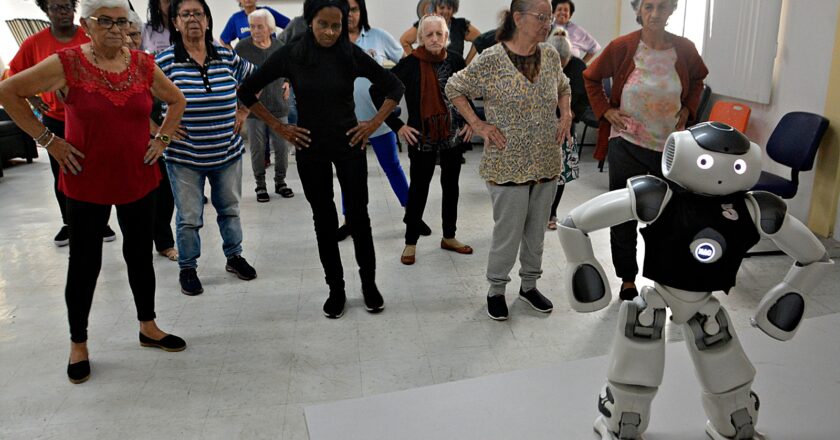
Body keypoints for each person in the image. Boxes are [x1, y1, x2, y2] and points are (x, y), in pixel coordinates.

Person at [0, 0, 188, 384]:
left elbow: (176, 100)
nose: (116, 29)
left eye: (122, 21)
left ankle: (148, 327)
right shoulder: (66, 63)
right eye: (105, 21)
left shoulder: (141, 64)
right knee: (85, 263)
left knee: (139, 255)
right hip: (86, 178)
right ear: (87, 24)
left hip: (139, 176)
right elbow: (8, 92)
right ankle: (78, 343)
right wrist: (48, 140)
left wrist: (162, 138)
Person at [238, 0, 405, 319]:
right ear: (310, 21)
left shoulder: (350, 54)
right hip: (310, 145)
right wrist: (279, 127)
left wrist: (371, 125)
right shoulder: (292, 54)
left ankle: (369, 285)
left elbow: (394, 86)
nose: (330, 31)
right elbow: (246, 91)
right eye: (323, 24)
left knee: (358, 217)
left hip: (349, 143)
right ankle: (336, 289)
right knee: (324, 220)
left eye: (336, 25)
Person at [446, 0, 572, 321]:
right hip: (507, 162)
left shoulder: (551, 55)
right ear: (518, 18)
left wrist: (566, 113)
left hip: (545, 158)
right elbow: (454, 86)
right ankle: (496, 289)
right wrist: (477, 124)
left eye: (548, 17)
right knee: (509, 231)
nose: (548, 23)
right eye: (541, 17)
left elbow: (564, 85)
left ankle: (529, 286)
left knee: (536, 230)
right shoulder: (492, 59)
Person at [583, 0, 708, 301]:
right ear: (639, 10)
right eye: (649, 6)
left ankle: (663, 274)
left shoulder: (685, 49)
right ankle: (627, 278)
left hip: (671, 149)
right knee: (625, 212)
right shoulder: (622, 46)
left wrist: (688, 110)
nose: (655, 14)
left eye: (662, 7)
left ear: (672, 11)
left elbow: (699, 80)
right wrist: (606, 112)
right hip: (627, 143)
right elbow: (590, 78)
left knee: (668, 216)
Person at [157, 0, 258, 296]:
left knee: (230, 209)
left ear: (208, 21)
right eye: (185, 14)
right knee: (189, 217)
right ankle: (188, 267)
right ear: (175, 22)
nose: (192, 20)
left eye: (198, 14)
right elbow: (140, 102)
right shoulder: (163, 61)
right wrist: (160, 130)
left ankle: (234, 257)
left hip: (226, 152)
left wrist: (243, 111)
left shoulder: (227, 56)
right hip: (184, 157)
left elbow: (256, 79)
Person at [6, 0, 118, 246]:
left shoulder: (89, 38)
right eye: (56, 7)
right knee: (63, 172)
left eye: (67, 6)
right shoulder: (34, 43)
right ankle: (69, 222)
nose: (63, 12)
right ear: (46, 10)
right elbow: (12, 76)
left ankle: (102, 222)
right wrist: (34, 99)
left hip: (92, 120)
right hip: (57, 120)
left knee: (97, 171)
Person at [372, 15, 472, 265]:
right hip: (422, 137)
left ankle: (449, 236)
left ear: (446, 37)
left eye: (439, 34)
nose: (435, 39)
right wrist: (397, 125)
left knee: (451, 188)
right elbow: (377, 90)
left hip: (452, 136)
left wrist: (471, 121)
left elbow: (465, 93)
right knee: (418, 190)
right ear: (421, 39)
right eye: (429, 35)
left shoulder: (457, 61)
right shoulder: (409, 65)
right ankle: (410, 242)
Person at [336, 0, 411, 241]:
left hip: (379, 120)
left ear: (362, 12)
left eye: (355, 9)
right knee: (348, 173)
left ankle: (413, 215)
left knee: (392, 167)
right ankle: (349, 220)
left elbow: (404, 64)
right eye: (345, 10)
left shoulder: (378, 37)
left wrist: (393, 93)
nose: (350, 14)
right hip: (346, 123)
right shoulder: (332, 41)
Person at [127, 10, 179, 261]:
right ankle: (137, 244)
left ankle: (163, 241)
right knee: (131, 200)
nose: (129, 40)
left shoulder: (149, 64)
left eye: (135, 34)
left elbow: (172, 100)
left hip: (153, 142)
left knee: (164, 193)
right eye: (125, 35)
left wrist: (163, 134)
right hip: (124, 144)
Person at [235, 9, 294, 202]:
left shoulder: (279, 46)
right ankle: (260, 185)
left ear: (270, 28)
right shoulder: (242, 48)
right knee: (258, 149)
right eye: (252, 26)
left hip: (278, 105)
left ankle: (281, 182)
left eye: (259, 26)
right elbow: (233, 74)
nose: (255, 30)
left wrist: (287, 81)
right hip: (253, 109)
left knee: (282, 148)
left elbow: (289, 70)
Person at [546, 31, 583, 230]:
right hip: (541, 128)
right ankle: (536, 214)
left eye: (563, 61)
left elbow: (584, 98)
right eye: (556, 61)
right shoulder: (538, 63)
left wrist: (572, 113)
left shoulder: (578, 68)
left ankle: (552, 212)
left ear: (569, 58)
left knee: (560, 174)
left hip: (566, 128)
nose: (559, 65)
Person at [399, 0, 480, 59]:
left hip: (456, 76)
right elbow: (404, 40)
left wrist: (466, 62)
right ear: (435, 8)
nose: (445, 11)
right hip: (430, 75)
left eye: (449, 8)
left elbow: (479, 38)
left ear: (454, 9)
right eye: (442, 7)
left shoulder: (460, 25)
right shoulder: (424, 24)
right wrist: (416, 61)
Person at [220, 0, 290, 48]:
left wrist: (280, 44)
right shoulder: (236, 18)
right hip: (248, 62)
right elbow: (223, 40)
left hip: (270, 59)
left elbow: (290, 26)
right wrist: (235, 56)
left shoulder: (267, 12)